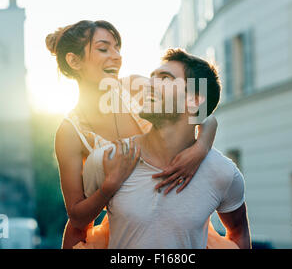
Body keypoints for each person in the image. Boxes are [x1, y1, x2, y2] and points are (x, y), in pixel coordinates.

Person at [46, 20, 233, 248]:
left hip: (179, 221)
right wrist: (110, 185)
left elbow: (199, 108)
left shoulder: (134, 87)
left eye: (117, 48)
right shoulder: (70, 132)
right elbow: (77, 217)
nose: (116, 56)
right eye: (104, 49)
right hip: (129, 229)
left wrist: (200, 150)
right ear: (74, 61)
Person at [84, 48, 251, 248]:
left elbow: (239, 233)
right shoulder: (106, 159)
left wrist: (202, 147)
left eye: (165, 78)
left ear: (195, 100)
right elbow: (79, 229)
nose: (148, 85)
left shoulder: (223, 173)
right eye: (151, 77)